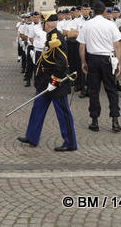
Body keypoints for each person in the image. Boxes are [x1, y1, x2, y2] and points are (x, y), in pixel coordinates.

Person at [17, 13, 77, 151]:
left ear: (48, 24)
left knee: (63, 114)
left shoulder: (57, 38)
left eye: (43, 23)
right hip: (45, 81)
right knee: (37, 109)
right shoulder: (50, 37)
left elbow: (62, 64)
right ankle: (32, 136)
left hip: (56, 83)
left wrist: (54, 82)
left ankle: (70, 143)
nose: (41, 25)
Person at [78, 1, 121, 133]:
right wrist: (118, 62)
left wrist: (83, 62)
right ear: (104, 12)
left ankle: (94, 120)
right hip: (107, 59)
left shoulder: (87, 25)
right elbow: (117, 46)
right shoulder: (110, 24)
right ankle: (115, 120)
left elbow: (82, 46)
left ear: (93, 11)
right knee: (112, 90)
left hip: (92, 58)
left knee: (93, 91)